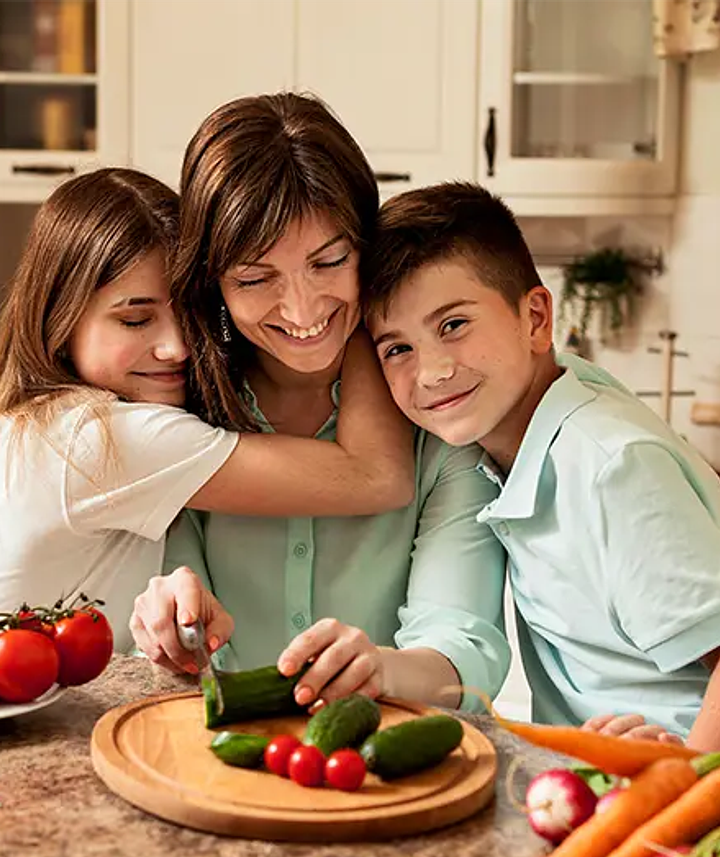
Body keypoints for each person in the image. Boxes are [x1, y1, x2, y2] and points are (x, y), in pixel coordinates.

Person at [360, 181, 720, 751]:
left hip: (688, 788)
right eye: (397, 349)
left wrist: (684, 779)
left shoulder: (611, 468)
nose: (433, 371)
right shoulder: (521, 429)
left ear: (536, 319)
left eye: (454, 325)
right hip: (597, 774)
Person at [130, 93, 509, 711]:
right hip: (213, 761)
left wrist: (383, 669)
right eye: (255, 279)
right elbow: (166, 595)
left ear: (367, 247)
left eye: (329, 261)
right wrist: (163, 607)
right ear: (214, 283)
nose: (303, 311)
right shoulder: (179, 410)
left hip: (386, 768)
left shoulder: (438, 414)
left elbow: (467, 650)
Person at [0, 167, 415, 652]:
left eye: (187, 313)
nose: (177, 346)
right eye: (136, 319)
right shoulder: (97, 438)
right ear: (60, 319)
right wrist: (347, 316)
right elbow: (375, 476)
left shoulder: (32, 421)